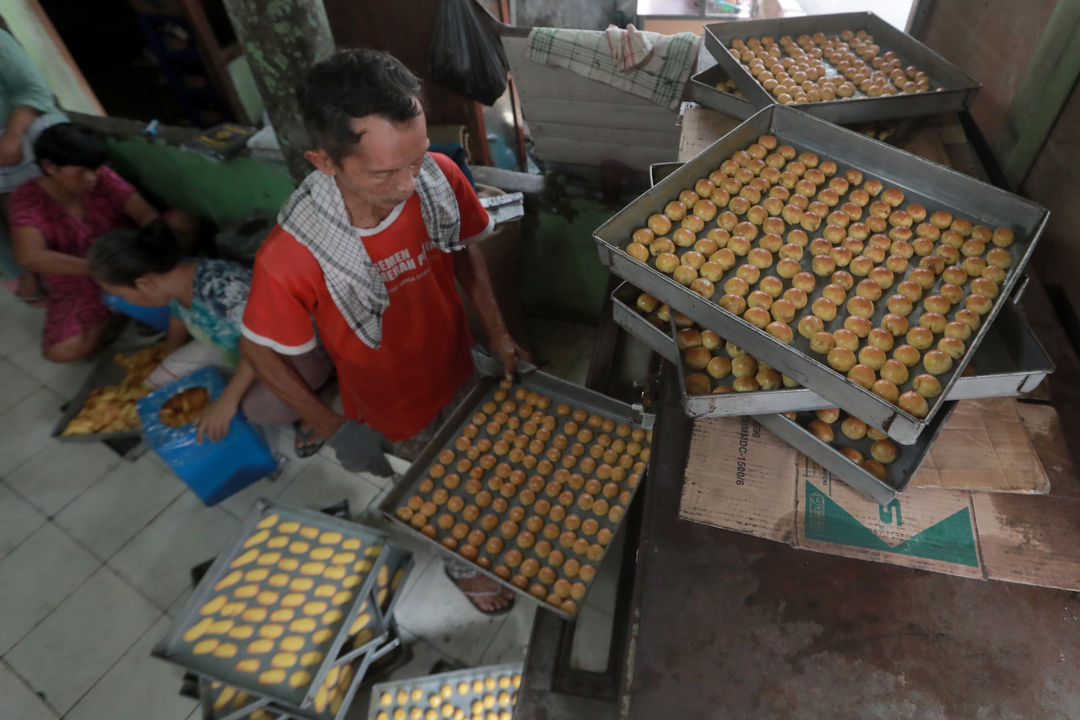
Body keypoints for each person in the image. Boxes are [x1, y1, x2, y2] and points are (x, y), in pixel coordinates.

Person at [240, 49, 530, 614]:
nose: (408, 184)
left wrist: (497, 333)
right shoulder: (293, 256)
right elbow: (259, 349)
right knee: (440, 495)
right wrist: (331, 426)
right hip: (394, 409)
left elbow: (463, 251)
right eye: (383, 172)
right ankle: (461, 562)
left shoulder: (438, 179)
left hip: (457, 366)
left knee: (474, 464)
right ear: (325, 161)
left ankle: (484, 528)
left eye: (416, 159)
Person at [87, 221, 334, 452]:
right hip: (238, 345)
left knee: (256, 409)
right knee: (162, 379)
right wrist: (169, 352)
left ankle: (321, 397)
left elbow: (262, 344)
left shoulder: (222, 290)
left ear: (144, 283)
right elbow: (178, 314)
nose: (121, 302)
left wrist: (227, 401)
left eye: (121, 294)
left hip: (292, 350)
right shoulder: (176, 278)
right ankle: (243, 388)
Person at [8, 123, 196, 363]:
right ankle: (120, 311)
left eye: (95, 169)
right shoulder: (27, 199)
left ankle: (133, 302)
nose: (92, 178)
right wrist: (101, 269)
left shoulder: (100, 175)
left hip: (130, 254)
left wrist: (150, 244)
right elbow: (30, 256)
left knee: (181, 221)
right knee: (60, 351)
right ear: (49, 167)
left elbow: (141, 211)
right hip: (80, 274)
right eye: (80, 172)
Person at [0, 27, 67, 303]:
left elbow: (34, 89)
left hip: (28, 134)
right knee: (19, 220)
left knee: (61, 219)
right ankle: (31, 272)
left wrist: (13, 136)